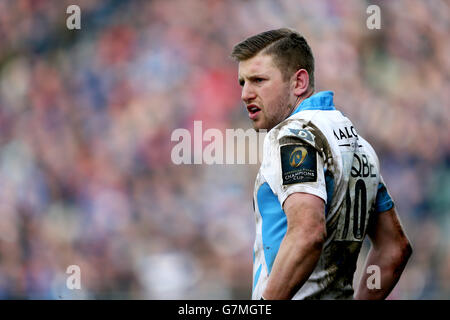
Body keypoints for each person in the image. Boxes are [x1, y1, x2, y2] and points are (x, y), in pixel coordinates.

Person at [230, 28, 412, 300]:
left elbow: (308, 233)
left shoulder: (294, 136)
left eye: (258, 80)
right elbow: (394, 248)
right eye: (242, 82)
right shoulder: (358, 144)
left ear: (299, 82)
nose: (246, 94)